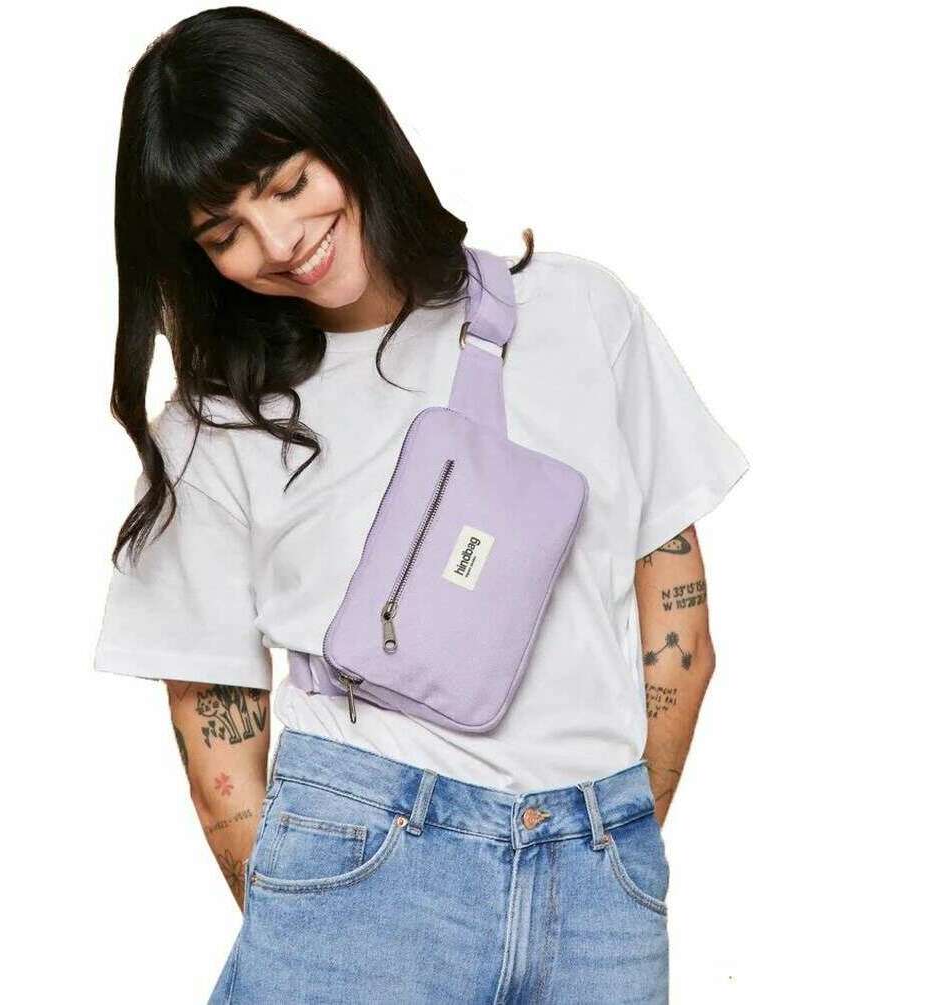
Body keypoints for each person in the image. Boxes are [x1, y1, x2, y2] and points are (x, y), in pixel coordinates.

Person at [93, 8, 750, 1003]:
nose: (280, 242)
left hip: (601, 875)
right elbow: (213, 709)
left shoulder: (579, 311)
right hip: (361, 866)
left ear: (348, 129)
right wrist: (313, 906)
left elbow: (676, 610)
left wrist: (615, 836)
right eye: (224, 233)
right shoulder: (215, 425)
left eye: (290, 184)